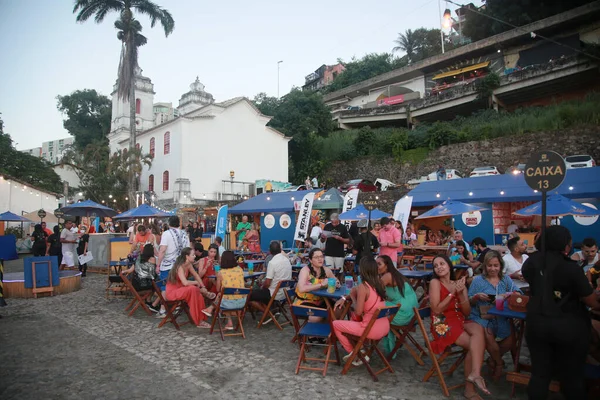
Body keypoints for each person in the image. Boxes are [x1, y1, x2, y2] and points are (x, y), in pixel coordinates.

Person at [523, 226, 600, 399]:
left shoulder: (531, 262)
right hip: (568, 327)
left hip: (537, 323)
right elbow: (591, 301)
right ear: (565, 244)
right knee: (572, 376)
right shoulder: (571, 268)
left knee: (539, 375)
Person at [430, 254, 490, 397]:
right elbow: (437, 309)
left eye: (442, 263)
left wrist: (462, 293)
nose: (439, 267)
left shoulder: (456, 283)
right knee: (474, 346)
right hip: (442, 323)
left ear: (449, 265)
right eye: (435, 266)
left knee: (479, 329)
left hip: (459, 319)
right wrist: (452, 293)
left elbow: (467, 312)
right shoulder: (435, 283)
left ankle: (474, 374)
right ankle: (470, 389)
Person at [468, 251, 520, 380]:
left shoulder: (505, 279)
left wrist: (509, 294)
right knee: (487, 334)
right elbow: (469, 301)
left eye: (496, 265)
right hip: (481, 316)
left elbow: (518, 293)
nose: (493, 269)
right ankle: (499, 364)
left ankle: (493, 359)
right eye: (489, 265)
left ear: (500, 266)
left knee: (511, 339)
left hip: (501, 316)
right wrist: (476, 296)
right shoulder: (478, 280)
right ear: (485, 266)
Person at [332, 257, 390, 364]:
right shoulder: (379, 284)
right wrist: (347, 297)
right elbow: (357, 292)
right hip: (384, 327)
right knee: (355, 320)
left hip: (370, 330)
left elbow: (358, 311)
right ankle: (361, 349)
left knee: (335, 324)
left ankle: (354, 353)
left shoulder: (364, 287)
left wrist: (353, 298)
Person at [376, 255, 418, 355]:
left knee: (375, 309)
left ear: (387, 265)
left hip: (403, 314)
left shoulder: (387, 276)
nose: (376, 266)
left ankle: (366, 339)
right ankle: (398, 339)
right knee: (383, 308)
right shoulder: (396, 274)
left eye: (379, 264)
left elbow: (373, 291)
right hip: (413, 313)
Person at [165, 247, 211, 328]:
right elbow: (185, 283)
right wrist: (196, 283)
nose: (195, 256)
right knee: (193, 289)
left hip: (181, 289)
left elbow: (196, 275)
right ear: (187, 256)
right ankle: (198, 320)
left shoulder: (188, 264)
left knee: (196, 292)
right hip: (173, 292)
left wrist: (203, 286)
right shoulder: (180, 267)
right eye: (193, 255)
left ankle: (201, 318)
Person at [248, 241, 293, 323]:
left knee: (249, 295)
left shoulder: (272, 263)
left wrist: (262, 286)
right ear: (280, 249)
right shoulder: (287, 260)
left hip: (274, 293)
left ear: (270, 251)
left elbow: (268, 283)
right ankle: (272, 309)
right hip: (285, 292)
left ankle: (268, 313)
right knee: (260, 293)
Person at [201, 251, 246, 330]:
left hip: (228, 304)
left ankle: (211, 309)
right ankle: (228, 321)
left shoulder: (221, 273)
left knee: (221, 295)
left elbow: (218, 289)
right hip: (242, 302)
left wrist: (215, 281)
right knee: (224, 295)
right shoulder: (240, 270)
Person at [156, 216, 190, 318]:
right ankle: (177, 307)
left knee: (165, 287)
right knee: (179, 286)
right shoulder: (184, 234)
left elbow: (162, 250)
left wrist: (158, 264)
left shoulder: (166, 234)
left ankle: (163, 310)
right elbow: (188, 250)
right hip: (181, 265)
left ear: (169, 223)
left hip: (168, 266)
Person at [294, 248, 338, 319]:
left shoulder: (326, 270)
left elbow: (336, 281)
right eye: (316, 257)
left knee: (339, 308)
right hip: (305, 302)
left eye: (321, 256)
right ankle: (322, 327)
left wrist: (336, 283)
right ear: (310, 260)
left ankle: (330, 328)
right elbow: (301, 289)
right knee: (317, 317)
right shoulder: (305, 271)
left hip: (322, 300)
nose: (320, 259)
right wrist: (321, 285)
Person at [122, 243, 159, 312]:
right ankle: (153, 304)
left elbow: (130, 270)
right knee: (159, 286)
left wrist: (124, 272)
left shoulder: (139, 258)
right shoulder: (152, 259)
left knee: (153, 284)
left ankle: (148, 301)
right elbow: (153, 273)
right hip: (144, 285)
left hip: (135, 284)